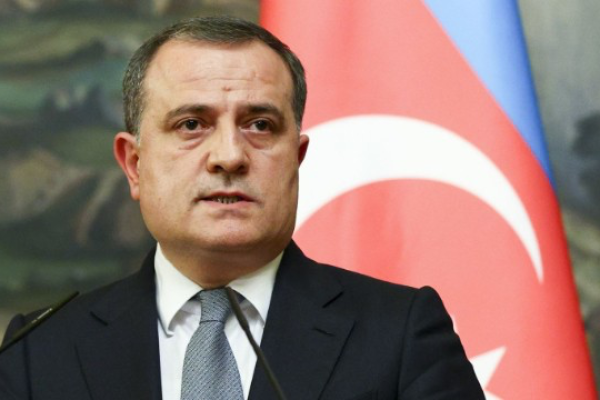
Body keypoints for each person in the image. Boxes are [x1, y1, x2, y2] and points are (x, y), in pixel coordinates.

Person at [0, 16, 484, 399]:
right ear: (134, 165)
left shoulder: (400, 335)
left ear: (296, 159)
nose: (230, 156)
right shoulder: (38, 349)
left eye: (260, 125)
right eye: (192, 124)